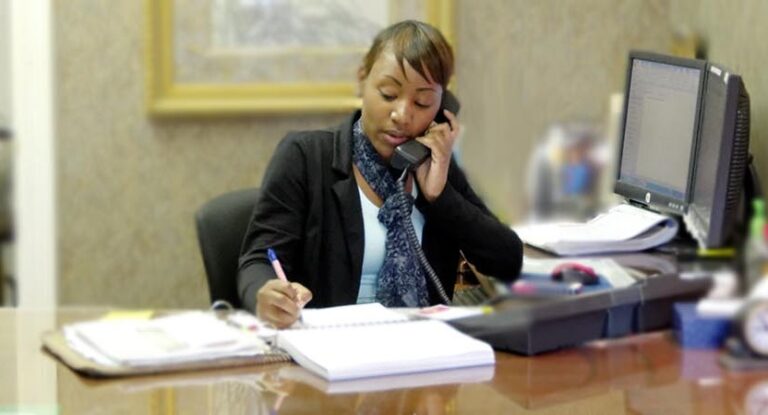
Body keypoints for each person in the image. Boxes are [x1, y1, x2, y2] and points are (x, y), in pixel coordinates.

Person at [238, 20, 523, 328]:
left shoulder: (437, 165)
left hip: (422, 346)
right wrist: (266, 294)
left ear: (443, 107)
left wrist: (441, 198)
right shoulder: (306, 157)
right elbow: (257, 261)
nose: (402, 115)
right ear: (362, 80)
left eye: (422, 102)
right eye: (388, 94)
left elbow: (507, 260)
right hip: (329, 344)